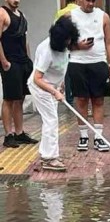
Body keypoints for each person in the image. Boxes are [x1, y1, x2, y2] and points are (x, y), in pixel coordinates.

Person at [67, 0, 110, 153]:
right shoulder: (70, 16)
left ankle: (99, 137)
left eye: (93, 1)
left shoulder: (103, 16)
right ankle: (83, 136)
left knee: (98, 99)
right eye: (88, 0)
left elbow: (109, 42)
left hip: (98, 63)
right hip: (77, 63)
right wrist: (77, 45)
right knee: (81, 99)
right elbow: (62, 41)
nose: (90, 4)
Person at [28, 16, 81, 172]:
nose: (68, 43)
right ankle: (49, 158)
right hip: (41, 88)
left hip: (53, 87)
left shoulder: (64, 45)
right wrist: (54, 91)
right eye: (66, 40)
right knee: (51, 120)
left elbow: (61, 66)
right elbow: (37, 79)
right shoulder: (46, 50)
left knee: (51, 120)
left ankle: (48, 155)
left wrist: (61, 84)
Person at [0, 0, 39, 149]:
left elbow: (25, 39)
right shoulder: (2, 13)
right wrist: (4, 62)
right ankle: (8, 135)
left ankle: (19, 132)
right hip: (10, 62)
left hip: (23, 62)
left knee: (21, 97)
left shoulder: (22, 16)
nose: (16, 0)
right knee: (9, 98)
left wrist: (29, 60)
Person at [54, 0, 78, 106]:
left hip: (66, 48)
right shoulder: (79, 11)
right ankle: (80, 96)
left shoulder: (60, 13)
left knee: (68, 75)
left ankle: (70, 99)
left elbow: (56, 30)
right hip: (79, 47)